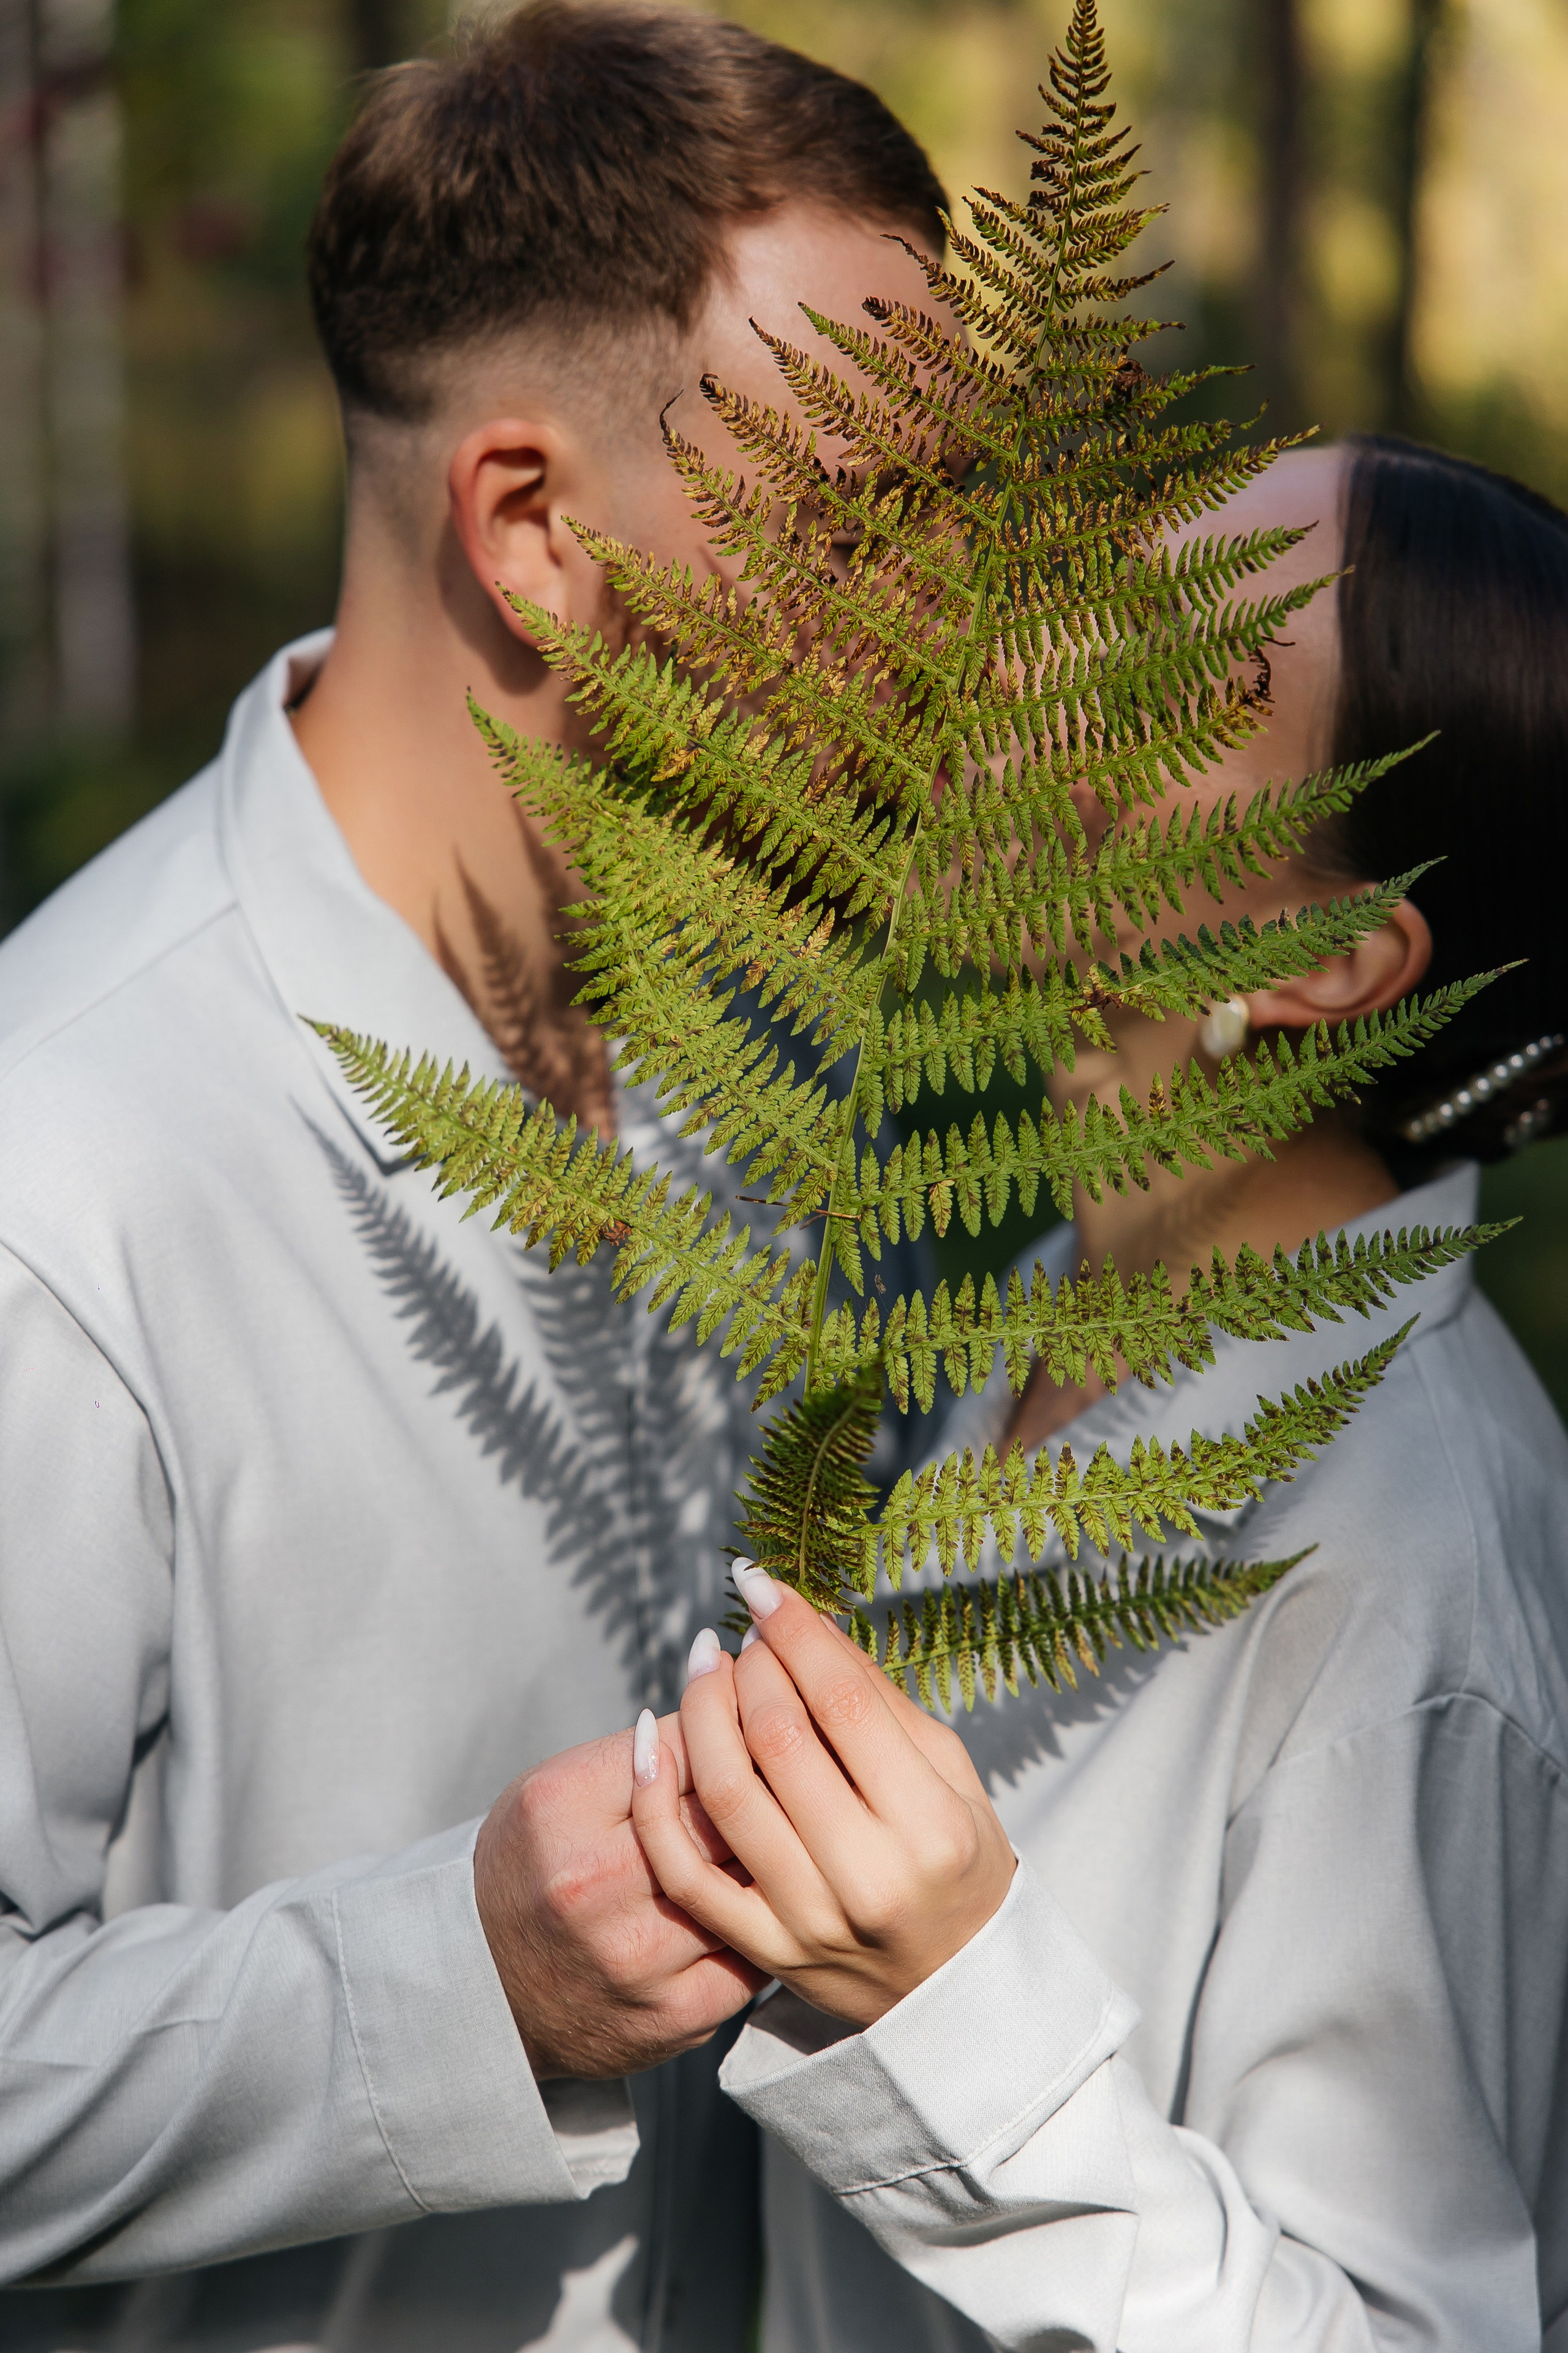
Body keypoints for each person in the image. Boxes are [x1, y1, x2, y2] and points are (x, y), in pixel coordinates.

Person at [0, 9, 949, 2347]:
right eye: (864, 524)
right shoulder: (64, 1168)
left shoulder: (811, 1035)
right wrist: (467, 1979)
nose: (951, 624)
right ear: (529, 527)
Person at [630, 437, 1568, 2350]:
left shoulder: (1407, 1581)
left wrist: (951, 2012)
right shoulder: (1026, 1308)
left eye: (1199, 666)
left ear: (1323, 955)